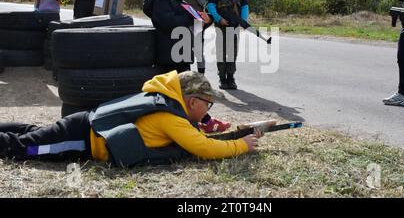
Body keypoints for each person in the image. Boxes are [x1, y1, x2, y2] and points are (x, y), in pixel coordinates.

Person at [0, 71, 262, 167]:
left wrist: (235, 134)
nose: (208, 109)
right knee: (22, 148)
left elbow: (198, 138)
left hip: (83, 126)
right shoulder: (171, 118)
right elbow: (203, 148)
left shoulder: (166, 102)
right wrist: (241, 146)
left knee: (32, 131)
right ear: (192, 101)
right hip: (82, 139)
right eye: (208, 103)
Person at [143, 0, 231, 133]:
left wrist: (205, 21)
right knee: (177, 94)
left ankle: (202, 120)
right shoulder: (161, 0)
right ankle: (190, 122)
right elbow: (167, 22)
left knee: (190, 91)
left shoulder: (178, 1)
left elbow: (192, 27)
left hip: (182, 54)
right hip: (169, 57)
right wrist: (191, 19)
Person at [207, 0, 250, 90]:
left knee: (232, 52)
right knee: (221, 52)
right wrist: (219, 19)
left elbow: (245, 7)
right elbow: (210, 6)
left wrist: (243, 21)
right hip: (221, 27)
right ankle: (222, 78)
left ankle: (230, 78)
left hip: (234, 26)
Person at [185, 0, 209, 74]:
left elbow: (203, 1)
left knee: (199, 51)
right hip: (183, 21)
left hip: (197, 22)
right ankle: (186, 76)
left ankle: (201, 77)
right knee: (185, 50)